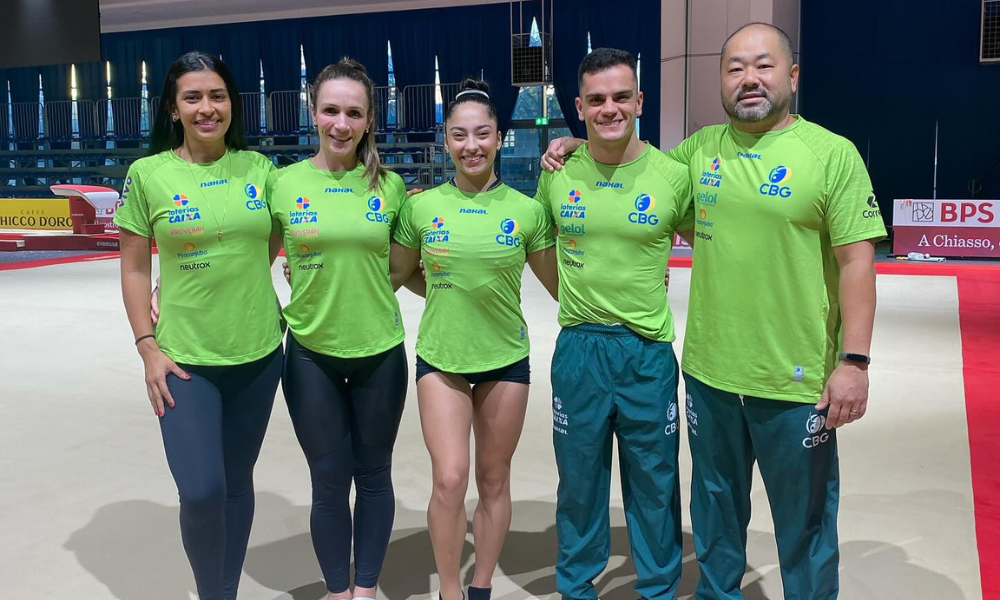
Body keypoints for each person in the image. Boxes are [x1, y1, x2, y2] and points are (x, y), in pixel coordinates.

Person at [545, 23, 885, 600]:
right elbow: (630, 164)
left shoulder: (832, 155)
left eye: (764, 65)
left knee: (804, 525)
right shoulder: (698, 153)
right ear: (722, 81)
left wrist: (853, 361)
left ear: (793, 75)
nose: (749, 79)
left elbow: (856, 261)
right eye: (735, 69)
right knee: (715, 519)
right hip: (709, 377)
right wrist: (579, 146)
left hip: (796, 378)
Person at [116, 51, 282, 600]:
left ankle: (224, 591)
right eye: (193, 97)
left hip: (259, 354)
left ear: (232, 103)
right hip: (184, 361)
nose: (207, 108)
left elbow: (274, 240)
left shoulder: (261, 170)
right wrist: (147, 347)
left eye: (217, 96)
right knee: (203, 490)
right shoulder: (148, 175)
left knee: (236, 485)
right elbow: (136, 267)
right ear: (173, 108)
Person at [390, 79, 558, 600]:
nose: (471, 145)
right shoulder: (420, 209)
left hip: (506, 361)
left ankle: (481, 584)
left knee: (492, 480)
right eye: (459, 135)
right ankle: (449, 589)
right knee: (449, 479)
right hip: (441, 359)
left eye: (482, 134)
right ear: (446, 142)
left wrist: (643, 278)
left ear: (499, 137)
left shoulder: (527, 211)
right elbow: (394, 274)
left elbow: (562, 286)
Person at [534, 48, 693, 600]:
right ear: (578, 107)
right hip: (579, 350)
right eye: (596, 99)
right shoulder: (557, 173)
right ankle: (576, 588)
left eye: (621, 97)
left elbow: (718, 249)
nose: (609, 109)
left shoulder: (673, 176)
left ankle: (657, 589)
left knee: (655, 484)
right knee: (578, 484)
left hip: (646, 354)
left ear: (639, 101)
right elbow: (536, 249)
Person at [269, 58, 413, 600]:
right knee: (329, 481)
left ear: (370, 118)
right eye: (330, 110)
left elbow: (402, 268)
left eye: (353, 112)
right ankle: (337, 589)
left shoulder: (392, 187)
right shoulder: (283, 184)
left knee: (374, 475)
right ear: (313, 112)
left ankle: (367, 587)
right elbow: (239, 251)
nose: (341, 123)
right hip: (310, 355)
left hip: (380, 352)